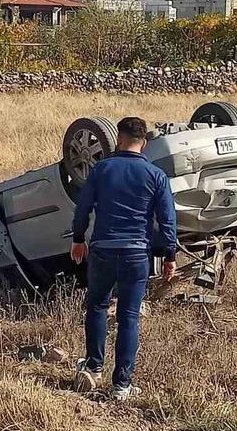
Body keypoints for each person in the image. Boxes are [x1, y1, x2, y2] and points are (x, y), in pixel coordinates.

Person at [70, 117, 178, 401]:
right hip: (136, 254)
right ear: (144, 143)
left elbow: (82, 208)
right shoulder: (155, 176)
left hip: (103, 250)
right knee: (129, 316)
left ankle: (93, 367)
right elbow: (167, 221)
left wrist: (78, 239)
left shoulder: (102, 170)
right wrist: (169, 256)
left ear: (118, 138)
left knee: (96, 306)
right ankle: (122, 385)